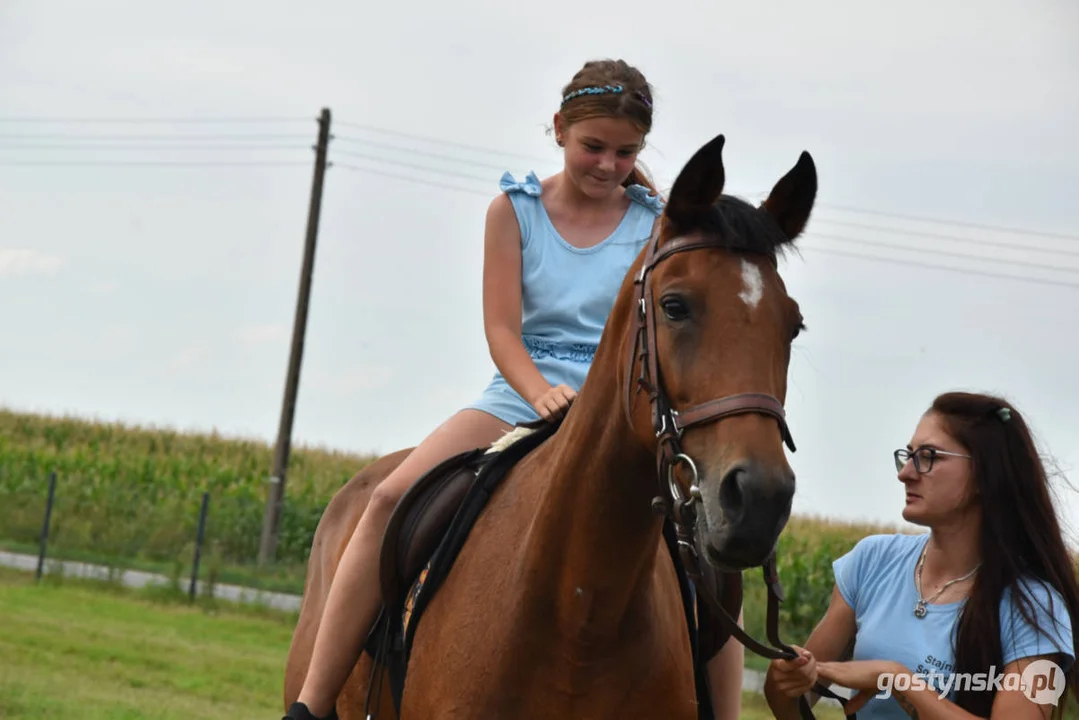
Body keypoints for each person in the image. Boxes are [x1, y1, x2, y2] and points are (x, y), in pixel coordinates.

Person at [284, 58, 744, 720]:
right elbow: (501, 329)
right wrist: (539, 394)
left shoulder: (655, 225)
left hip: (619, 406)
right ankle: (313, 703)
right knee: (386, 499)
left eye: (625, 152)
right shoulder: (514, 210)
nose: (608, 164)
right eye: (593, 147)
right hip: (517, 392)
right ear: (558, 129)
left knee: (709, 551)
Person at [763, 391, 1079, 719]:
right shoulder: (871, 561)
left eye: (928, 456)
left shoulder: (1036, 608)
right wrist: (783, 683)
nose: (905, 473)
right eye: (908, 455)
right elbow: (797, 706)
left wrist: (898, 680)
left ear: (985, 473)